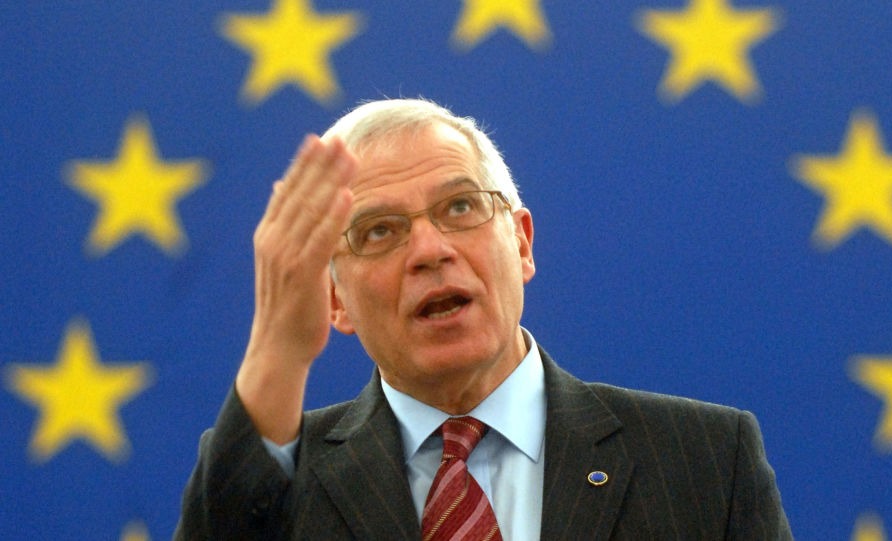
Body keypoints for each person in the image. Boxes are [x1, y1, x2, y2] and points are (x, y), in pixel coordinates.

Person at [174, 98, 793, 540]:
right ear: (334, 300)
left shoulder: (708, 461)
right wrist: (277, 351)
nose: (430, 250)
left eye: (460, 206)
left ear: (521, 243)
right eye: (379, 231)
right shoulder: (275, 485)